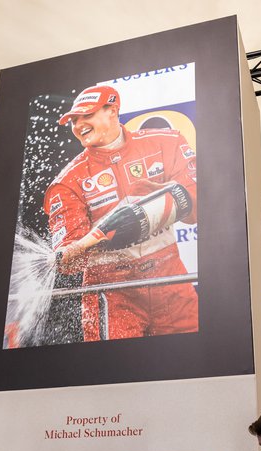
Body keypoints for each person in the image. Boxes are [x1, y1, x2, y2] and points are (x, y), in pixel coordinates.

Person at [43, 84, 198, 342]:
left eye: (87, 115)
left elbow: (197, 210)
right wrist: (85, 246)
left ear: (112, 110)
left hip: (170, 280)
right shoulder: (66, 181)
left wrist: (164, 198)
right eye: (74, 120)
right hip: (112, 292)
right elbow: (69, 262)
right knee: (116, 372)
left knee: (192, 360)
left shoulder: (165, 142)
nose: (79, 124)